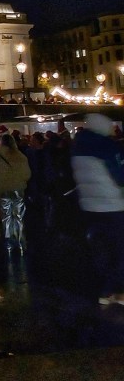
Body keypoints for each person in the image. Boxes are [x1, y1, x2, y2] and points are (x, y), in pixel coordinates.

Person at [70, 113, 124, 305]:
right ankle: (119, 291)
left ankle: (104, 291)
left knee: (99, 249)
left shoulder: (77, 147)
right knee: (118, 249)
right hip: (112, 205)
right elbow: (120, 175)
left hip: (89, 206)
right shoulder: (107, 146)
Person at [0, 133, 31, 253]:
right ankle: (21, 241)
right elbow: (27, 174)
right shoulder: (20, 156)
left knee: (6, 217)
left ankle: (9, 244)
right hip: (18, 189)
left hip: (3, 190)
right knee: (19, 216)